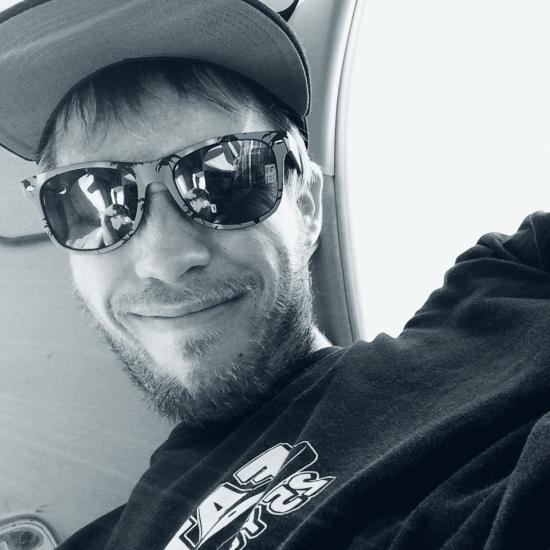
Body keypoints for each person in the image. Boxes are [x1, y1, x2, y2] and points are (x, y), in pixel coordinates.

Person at [2, 1, 550, 549]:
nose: (164, 259)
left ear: (306, 203)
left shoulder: (506, 297)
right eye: (95, 200)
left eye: (223, 178)